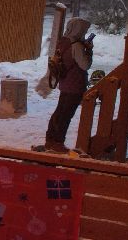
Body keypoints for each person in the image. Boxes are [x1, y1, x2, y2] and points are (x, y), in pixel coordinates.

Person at [37, 16, 93, 154]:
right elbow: (85, 65)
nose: (84, 32)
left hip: (65, 82)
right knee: (65, 115)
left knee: (60, 112)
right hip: (75, 84)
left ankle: (50, 139)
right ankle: (58, 143)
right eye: (84, 30)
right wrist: (89, 51)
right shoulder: (77, 46)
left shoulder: (64, 42)